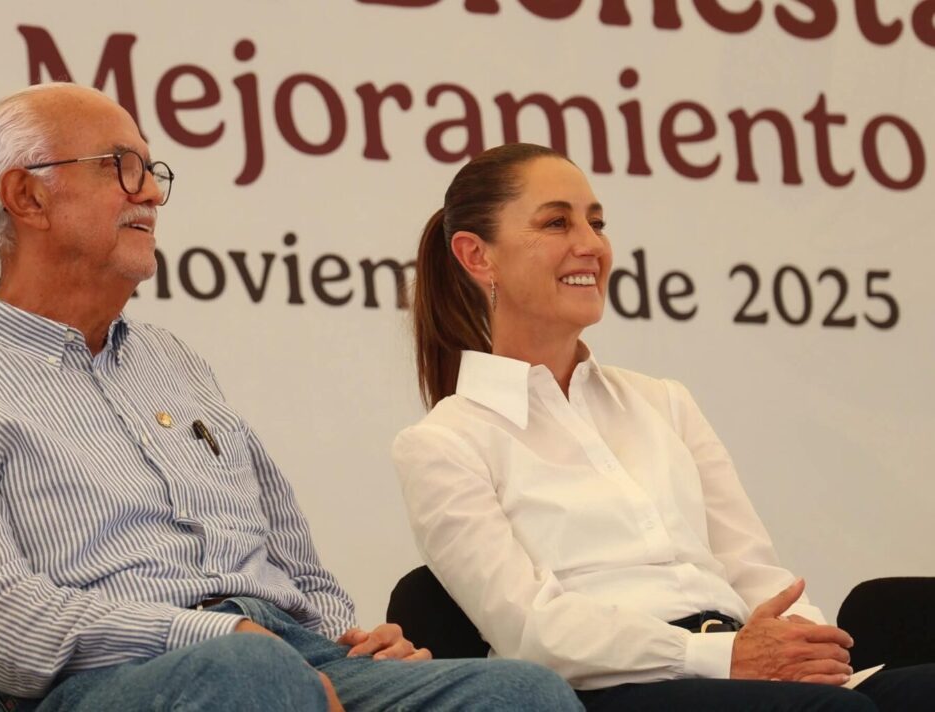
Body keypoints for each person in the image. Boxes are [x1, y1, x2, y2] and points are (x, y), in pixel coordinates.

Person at [0, 86, 583, 712]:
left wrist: (352, 637)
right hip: (99, 683)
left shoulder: (173, 363)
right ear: (28, 197)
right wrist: (218, 634)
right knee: (247, 674)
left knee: (520, 694)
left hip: (288, 652)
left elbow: (294, 560)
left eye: (153, 172)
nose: (151, 193)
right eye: (121, 166)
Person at [392, 142, 935, 711]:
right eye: (557, 223)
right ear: (477, 256)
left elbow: (752, 568)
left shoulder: (664, 401)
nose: (591, 244)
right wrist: (719, 656)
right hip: (616, 690)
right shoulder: (442, 443)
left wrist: (806, 648)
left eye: (597, 223)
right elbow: (531, 630)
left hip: (743, 670)